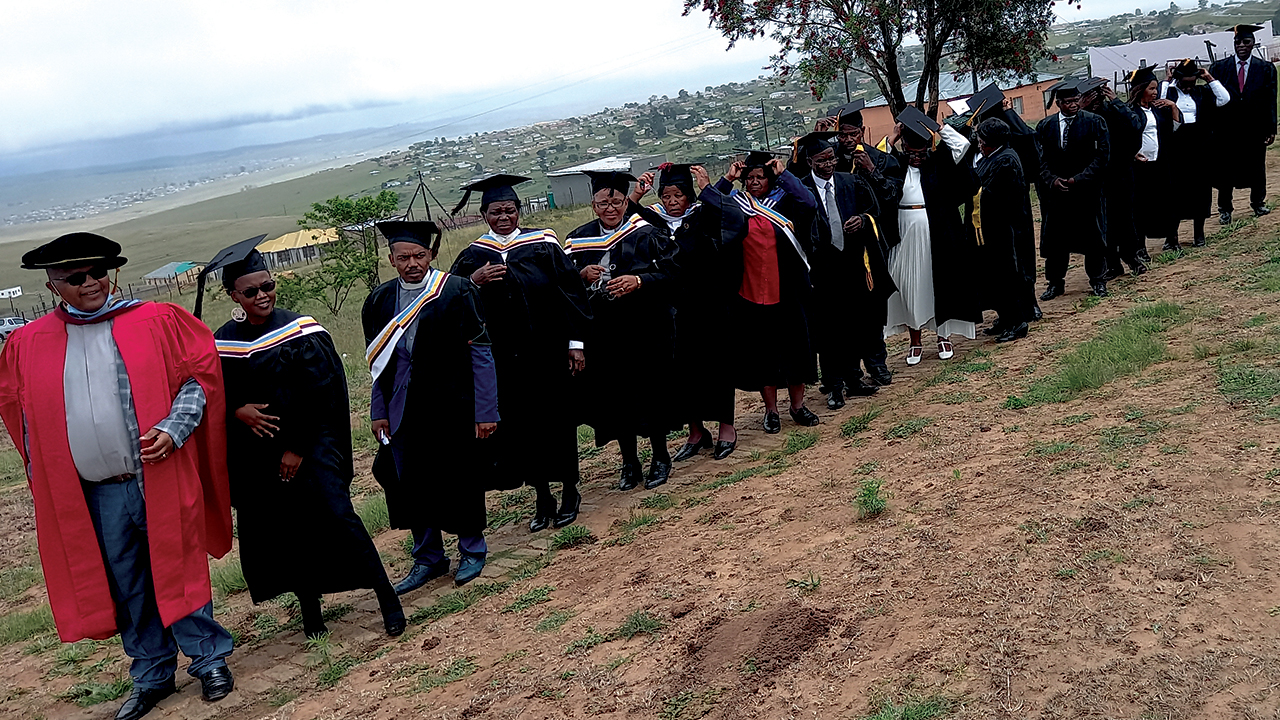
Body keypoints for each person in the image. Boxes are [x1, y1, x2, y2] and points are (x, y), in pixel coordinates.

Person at [0, 233, 234, 720]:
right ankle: (152, 675)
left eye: (98, 273)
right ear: (53, 284)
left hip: (157, 476)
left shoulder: (155, 320)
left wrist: (174, 427)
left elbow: (198, 378)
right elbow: (19, 414)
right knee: (126, 584)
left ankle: (209, 660)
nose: (91, 283)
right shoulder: (29, 342)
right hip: (94, 492)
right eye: (76, 277)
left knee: (179, 567)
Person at [200, 236, 404, 640]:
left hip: (312, 444)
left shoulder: (301, 331)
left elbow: (324, 396)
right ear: (233, 295)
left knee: (338, 516)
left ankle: (387, 598)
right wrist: (236, 410)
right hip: (260, 454)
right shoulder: (223, 341)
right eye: (251, 291)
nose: (262, 295)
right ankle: (310, 610)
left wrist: (296, 447)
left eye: (268, 286)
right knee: (289, 527)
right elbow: (212, 394)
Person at [362, 221, 499, 593]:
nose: (412, 263)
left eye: (419, 255)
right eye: (404, 257)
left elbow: (482, 353)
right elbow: (378, 364)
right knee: (412, 483)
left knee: (460, 478)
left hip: (452, 404)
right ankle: (428, 558)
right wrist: (378, 410)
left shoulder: (457, 290)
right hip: (402, 408)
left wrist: (486, 411)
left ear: (431, 255)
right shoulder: (379, 300)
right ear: (391, 259)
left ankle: (472, 550)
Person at [449, 175, 592, 530]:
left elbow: (572, 292)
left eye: (509, 210)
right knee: (523, 427)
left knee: (558, 423)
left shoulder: (543, 244)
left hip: (549, 355)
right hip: (505, 362)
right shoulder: (473, 257)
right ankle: (542, 495)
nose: (503, 217)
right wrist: (473, 282)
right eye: (496, 212)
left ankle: (570, 490)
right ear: (484, 214)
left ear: (518, 210)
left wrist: (576, 343)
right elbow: (452, 303)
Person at [565, 170, 679, 490]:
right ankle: (629, 461)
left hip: (646, 330)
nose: (611, 208)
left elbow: (674, 273)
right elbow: (561, 288)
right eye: (604, 203)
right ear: (593, 205)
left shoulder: (647, 233)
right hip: (604, 335)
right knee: (616, 398)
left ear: (626, 203)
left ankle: (660, 457)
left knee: (651, 394)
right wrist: (579, 277)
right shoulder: (578, 240)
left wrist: (639, 280)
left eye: (617, 201)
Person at [629, 163, 746, 461]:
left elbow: (734, 218)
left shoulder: (703, 213)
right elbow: (625, 219)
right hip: (673, 311)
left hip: (710, 306)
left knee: (717, 366)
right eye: (666, 196)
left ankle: (726, 428)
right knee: (682, 372)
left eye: (678, 195)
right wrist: (635, 196)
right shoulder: (653, 220)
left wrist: (708, 187)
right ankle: (696, 432)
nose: (671, 202)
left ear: (689, 195)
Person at [714, 152, 820, 433]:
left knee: (796, 349)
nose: (754, 182)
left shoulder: (784, 200)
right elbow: (711, 205)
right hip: (752, 291)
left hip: (789, 288)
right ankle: (771, 410)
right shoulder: (737, 204)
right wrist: (728, 178)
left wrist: (784, 173)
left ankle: (797, 406)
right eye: (749, 177)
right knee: (764, 354)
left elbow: (809, 202)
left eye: (760, 177)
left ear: (770, 179)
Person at [798, 131, 895, 407]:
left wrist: (862, 220)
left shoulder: (850, 181)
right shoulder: (802, 190)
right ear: (809, 161)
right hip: (822, 269)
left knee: (854, 323)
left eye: (831, 158)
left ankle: (854, 379)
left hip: (853, 264)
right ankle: (834, 385)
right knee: (830, 329)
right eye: (821, 160)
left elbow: (874, 210)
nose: (828, 164)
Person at [883, 108, 983, 362]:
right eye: (911, 153)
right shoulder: (896, 165)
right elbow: (877, 159)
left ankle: (943, 336)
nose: (916, 158)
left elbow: (962, 146)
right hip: (905, 235)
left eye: (921, 152)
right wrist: (893, 137)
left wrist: (939, 129)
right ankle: (915, 341)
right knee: (910, 287)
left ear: (929, 147)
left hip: (939, 233)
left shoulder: (939, 163)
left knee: (939, 284)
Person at [964, 84, 1046, 320]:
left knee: (1020, 256)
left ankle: (1029, 302)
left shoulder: (1010, 143)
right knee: (993, 263)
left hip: (1011, 212)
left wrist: (1008, 112)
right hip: (983, 214)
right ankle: (1005, 311)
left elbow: (1029, 139)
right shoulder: (976, 144)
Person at [1035, 80, 1112, 299]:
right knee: (1056, 240)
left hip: (1086, 191)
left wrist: (1079, 179)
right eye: (1068, 102)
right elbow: (1039, 159)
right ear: (1058, 103)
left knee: (1093, 238)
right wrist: (1051, 180)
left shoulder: (1094, 122)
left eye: (1076, 100)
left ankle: (1098, 280)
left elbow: (1102, 156)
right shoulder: (1046, 126)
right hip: (1057, 193)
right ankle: (1055, 283)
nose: (1073, 105)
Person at [966, 118, 1037, 342]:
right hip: (992, 229)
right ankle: (1005, 318)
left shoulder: (1006, 160)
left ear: (993, 142)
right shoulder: (993, 157)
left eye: (982, 141)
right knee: (996, 277)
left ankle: (1017, 322)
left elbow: (989, 191)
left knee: (1008, 277)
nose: (979, 144)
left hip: (1005, 230)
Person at [1209, 23, 1277, 224]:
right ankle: (1225, 209)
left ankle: (1258, 202)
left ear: (1253, 43)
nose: (1241, 45)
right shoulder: (1219, 68)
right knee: (1226, 169)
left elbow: (1270, 99)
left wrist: (1271, 128)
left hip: (1254, 127)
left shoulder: (1265, 68)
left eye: (1246, 42)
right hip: (1227, 129)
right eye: (1237, 42)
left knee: (1257, 166)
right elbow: (1212, 100)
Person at [1080, 77, 1149, 272]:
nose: (1093, 101)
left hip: (1120, 172)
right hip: (1095, 176)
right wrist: (1082, 109)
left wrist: (1116, 101)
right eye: (1088, 97)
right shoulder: (1082, 117)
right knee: (1104, 222)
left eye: (1096, 96)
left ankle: (1131, 257)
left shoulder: (1113, 111)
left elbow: (1136, 125)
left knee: (1125, 217)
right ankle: (1112, 263)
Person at [1162, 59, 1231, 248]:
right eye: (1185, 83)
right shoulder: (1170, 92)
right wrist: (1167, 80)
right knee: (1176, 192)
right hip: (1176, 147)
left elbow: (1224, 99)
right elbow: (1158, 100)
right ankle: (1171, 237)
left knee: (1201, 190)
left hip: (1200, 146)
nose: (1188, 87)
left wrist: (1209, 78)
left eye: (1192, 82)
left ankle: (1199, 234)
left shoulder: (1201, 92)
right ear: (1178, 79)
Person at [1127, 66, 1182, 254]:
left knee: (1168, 203)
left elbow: (1174, 129)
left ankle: (1172, 241)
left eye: (1156, 88)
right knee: (1141, 207)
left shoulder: (1158, 109)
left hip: (1161, 164)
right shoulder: (1129, 112)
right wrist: (1132, 153)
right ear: (1140, 89)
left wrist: (1173, 107)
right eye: (1151, 88)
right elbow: (1121, 137)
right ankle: (1140, 247)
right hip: (1141, 167)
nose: (1155, 92)